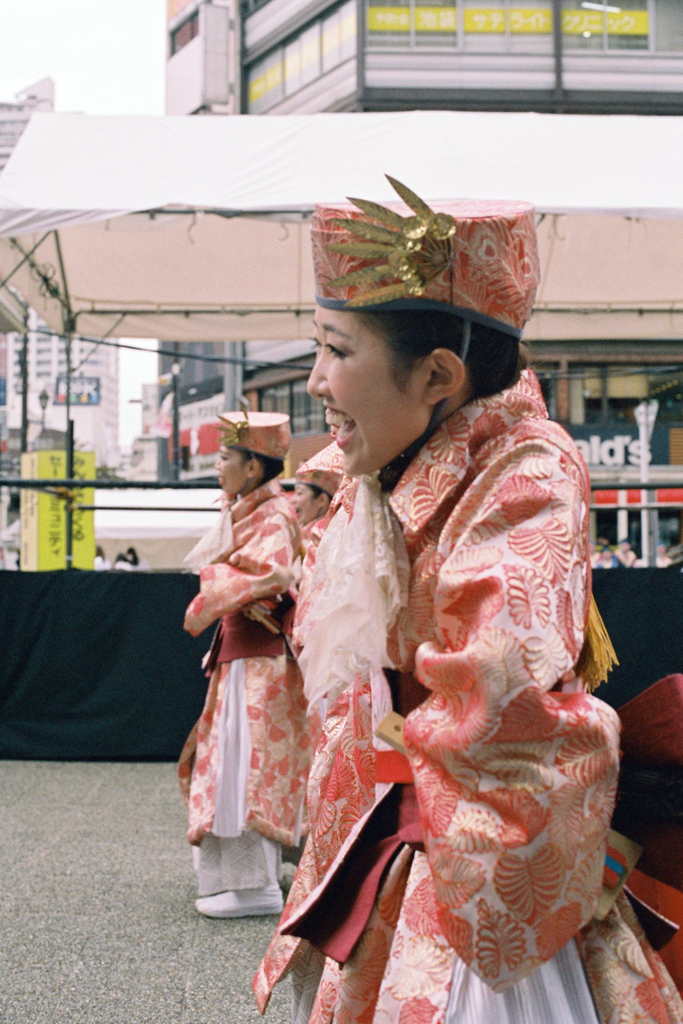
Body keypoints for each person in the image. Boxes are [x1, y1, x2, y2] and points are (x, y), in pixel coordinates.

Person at [254, 178, 683, 1024]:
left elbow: (503, 693)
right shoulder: (382, 466)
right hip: (405, 836)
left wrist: (404, 738)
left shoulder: (527, 471)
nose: (315, 378)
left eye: (338, 350)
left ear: (438, 375)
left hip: (473, 859)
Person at [179, 410, 311, 919]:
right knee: (238, 759)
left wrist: (214, 582)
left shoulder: (272, 514)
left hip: (263, 656)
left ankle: (254, 886)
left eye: (226, 457)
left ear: (253, 467)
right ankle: (251, 875)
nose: (218, 466)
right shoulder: (252, 510)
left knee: (245, 765)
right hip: (248, 652)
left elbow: (276, 572)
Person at [293, 460, 342, 550]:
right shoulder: (298, 534)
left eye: (299, 493)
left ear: (321, 500)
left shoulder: (325, 539)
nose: (293, 500)